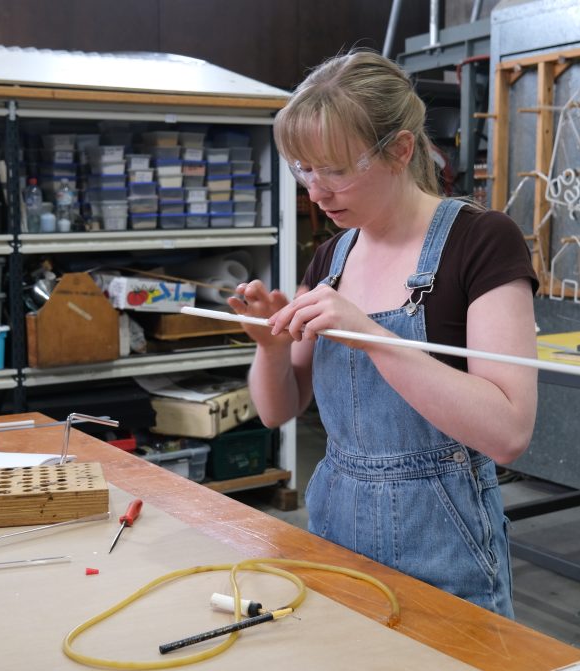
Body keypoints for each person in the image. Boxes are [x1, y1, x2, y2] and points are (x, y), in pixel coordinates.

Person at [227, 50, 538, 618]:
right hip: (334, 525)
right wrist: (271, 351)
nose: (315, 191)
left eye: (336, 169)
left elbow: (509, 431)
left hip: (443, 537)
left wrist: (371, 335)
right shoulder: (331, 258)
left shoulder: (483, 241)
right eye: (303, 168)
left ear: (399, 149)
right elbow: (278, 411)